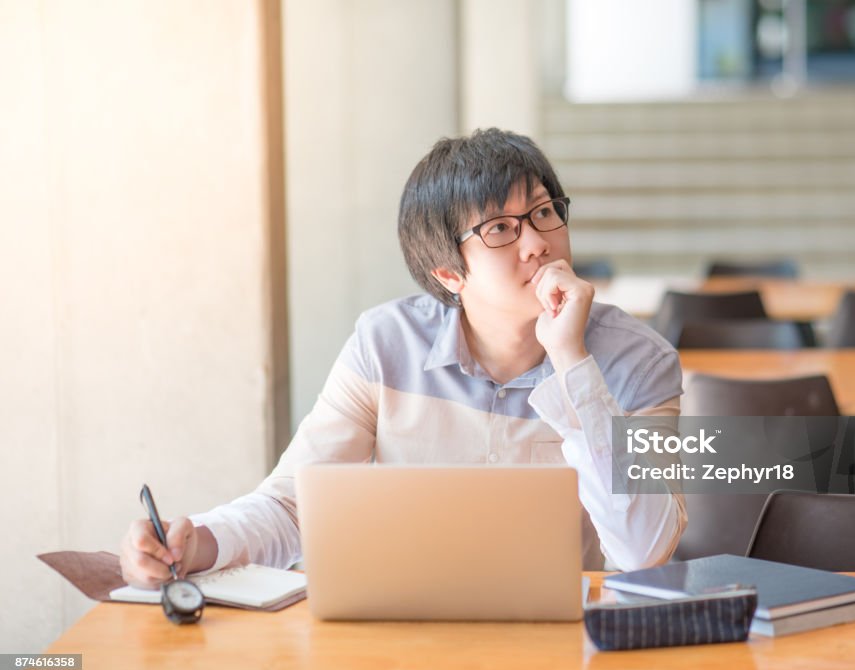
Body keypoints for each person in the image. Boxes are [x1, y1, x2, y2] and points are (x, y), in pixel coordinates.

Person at [119, 128, 686, 588]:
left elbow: (644, 551)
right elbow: (294, 505)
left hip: (557, 646)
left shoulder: (641, 361)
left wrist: (572, 361)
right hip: (397, 638)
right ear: (448, 274)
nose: (536, 242)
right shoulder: (385, 344)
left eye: (543, 213)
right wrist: (197, 545)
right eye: (500, 229)